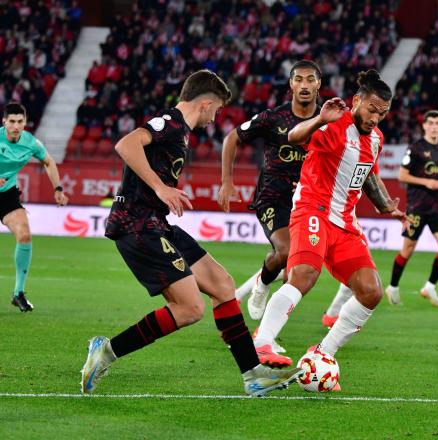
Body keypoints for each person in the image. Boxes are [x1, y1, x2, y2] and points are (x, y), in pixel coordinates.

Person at [80, 70, 301, 397]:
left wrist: (162, 193)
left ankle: (253, 375)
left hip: (156, 222)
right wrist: (160, 187)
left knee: (223, 285)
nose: (215, 118)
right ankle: (106, 351)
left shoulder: (179, 129)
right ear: (206, 103)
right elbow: (126, 144)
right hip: (136, 222)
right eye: (218, 110)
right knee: (190, 309)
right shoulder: (169, 121)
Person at [252, 70, 406, 381]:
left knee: (371, 290)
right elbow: (294, 137)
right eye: (372, 110)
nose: (376, 119)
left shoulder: (376, 139)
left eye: (383, 114)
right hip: (313, 209)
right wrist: (321, 119)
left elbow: (368, 174)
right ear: (356, 101)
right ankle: (262, 342)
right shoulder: (335, 124)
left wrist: (385, 203)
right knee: (306, 273)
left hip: (344, 223)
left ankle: (323, 353)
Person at [218, 60, 351, 330]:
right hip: (272, 197)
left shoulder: (331, 121)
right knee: (286, 251)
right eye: (298, 79)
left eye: (310, 79)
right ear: (290, 84)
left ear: (318, 84)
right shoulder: (272, 118)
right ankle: (262, 285)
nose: (304, 85)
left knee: (295, 267)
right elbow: (232, 137)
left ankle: (267, 327)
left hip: (310, 202)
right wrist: (226, 181)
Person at [0, 102, 69, 312]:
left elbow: (48, 162)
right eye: (11, 121)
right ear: (4, 122)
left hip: (7, 194)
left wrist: (58, 188)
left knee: (24, 236)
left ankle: (18, 293)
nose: (16, 126)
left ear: (25, 122)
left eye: (20, 121)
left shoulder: (31, 143)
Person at [383, 110, 438, 307]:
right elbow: (402, 176)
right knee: (407, 250)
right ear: (424, 126)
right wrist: (426, 182)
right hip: (417, 207)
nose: (433, 126)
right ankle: (393, 287)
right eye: (430, 123)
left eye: (437, 123)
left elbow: (437, 172)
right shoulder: (415, 148)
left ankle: (430, 286)